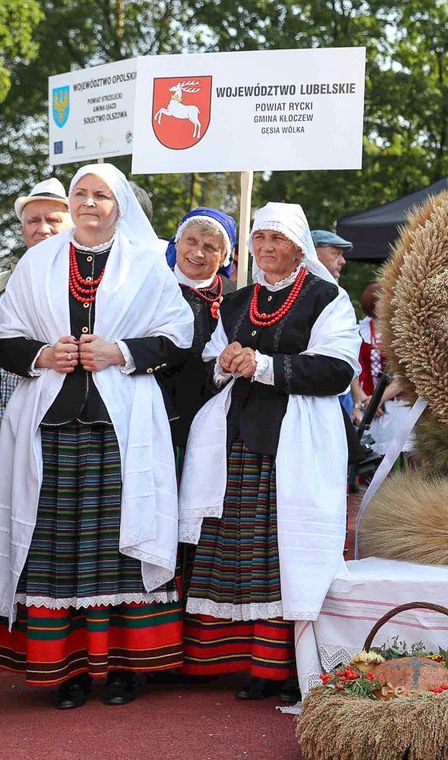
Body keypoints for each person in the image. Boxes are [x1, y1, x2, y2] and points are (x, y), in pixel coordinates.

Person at [0, 164, 193, 709]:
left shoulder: (147, 264)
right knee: (53, 550)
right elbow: (4, 332)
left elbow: (179, 338)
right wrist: (39, 355)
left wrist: (123, 352)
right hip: (50, 426)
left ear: (119, 204)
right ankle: (66, 672)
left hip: (121, 427)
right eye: (80, 194)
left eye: (100, 195)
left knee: (120, 549)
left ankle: (126, 668)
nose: (88, 203)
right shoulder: (38, 262)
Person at [178, 203, 360, 701]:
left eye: (276, 240)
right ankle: (233, 660)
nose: (265, 249)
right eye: (259, 239)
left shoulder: (328, 298)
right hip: (236, 441)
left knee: (282, 551)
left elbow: (336, 370)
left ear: (299, 247)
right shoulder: (238, 303)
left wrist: (260, 364)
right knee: (235, 548)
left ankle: (279, 665)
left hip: (294, 442)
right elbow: (208, 363)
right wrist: (226, 363)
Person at [161, 208, 237, 454]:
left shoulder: (237, 297)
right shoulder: (152, 285)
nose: (197, 252)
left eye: (210, 247)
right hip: (158, 410)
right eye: (191, 241)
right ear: (177, 242)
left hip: (214, 416)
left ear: (225, 256)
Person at [1, 179, 73, 424]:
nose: (43, 229)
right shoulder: (4, 282)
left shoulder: (88, 280)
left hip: (55, 414)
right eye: (33, 221)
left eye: (53, 220)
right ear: (22, 229)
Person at [356, 282, 415, 456]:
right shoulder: (361, 329)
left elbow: (405, 375)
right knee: (371, 460)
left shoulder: (401, 329)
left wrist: (377, 399)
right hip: (368, 410)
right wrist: (363, 400)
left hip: (396, 406)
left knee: (400, 457)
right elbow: (353, 368)